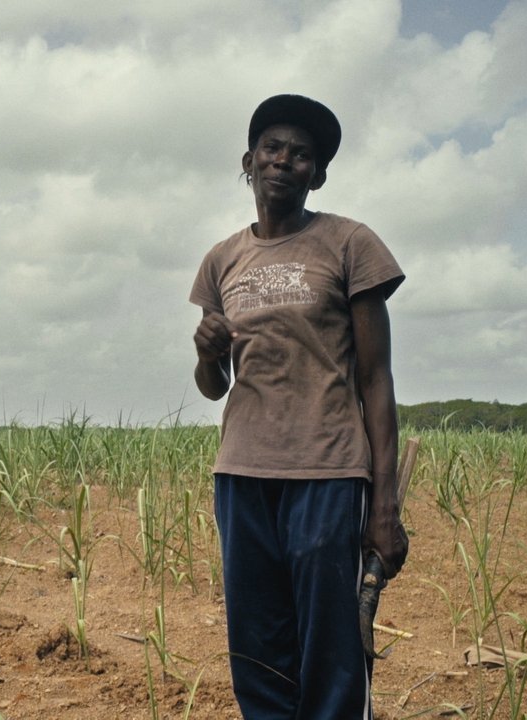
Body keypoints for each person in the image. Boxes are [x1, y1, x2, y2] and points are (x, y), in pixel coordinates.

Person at [189, 94, 409, 719]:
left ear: (319, 173)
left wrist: (384, 506)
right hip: (242, 475)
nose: (284, 161)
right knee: (257, 651)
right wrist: (206, 353)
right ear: (249, 161)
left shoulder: (349, 243)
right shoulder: (221, 261)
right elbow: (215, 385)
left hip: (329, 472)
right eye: (273, 148)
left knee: (333, 653)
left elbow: (376, 378)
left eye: (302, 154)